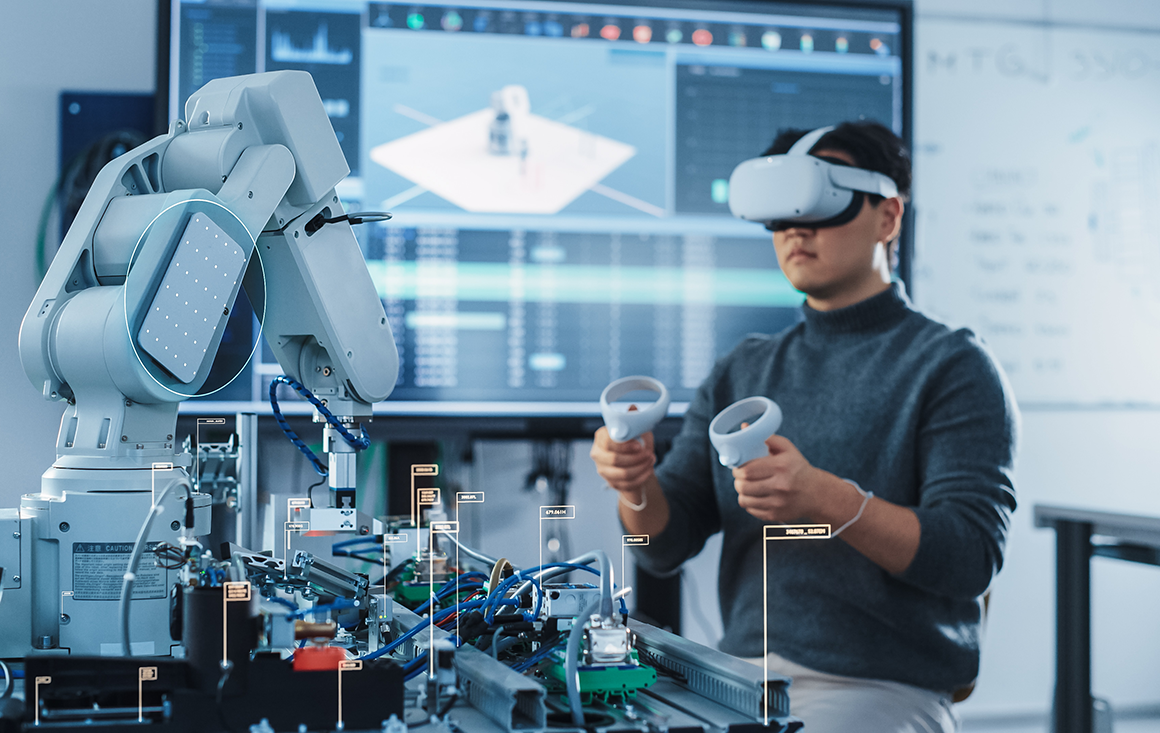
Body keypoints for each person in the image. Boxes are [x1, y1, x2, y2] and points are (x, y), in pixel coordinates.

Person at [589, 121, 1018, 732]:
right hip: (734, 682)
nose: (796, 229)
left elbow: (968, 557)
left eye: (819, 205)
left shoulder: (952, 366)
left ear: (888, 217)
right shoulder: (745, 367)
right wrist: (634, 484)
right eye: (781, 214)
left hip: (880, 687)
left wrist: (826, 499)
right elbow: (660, 547)